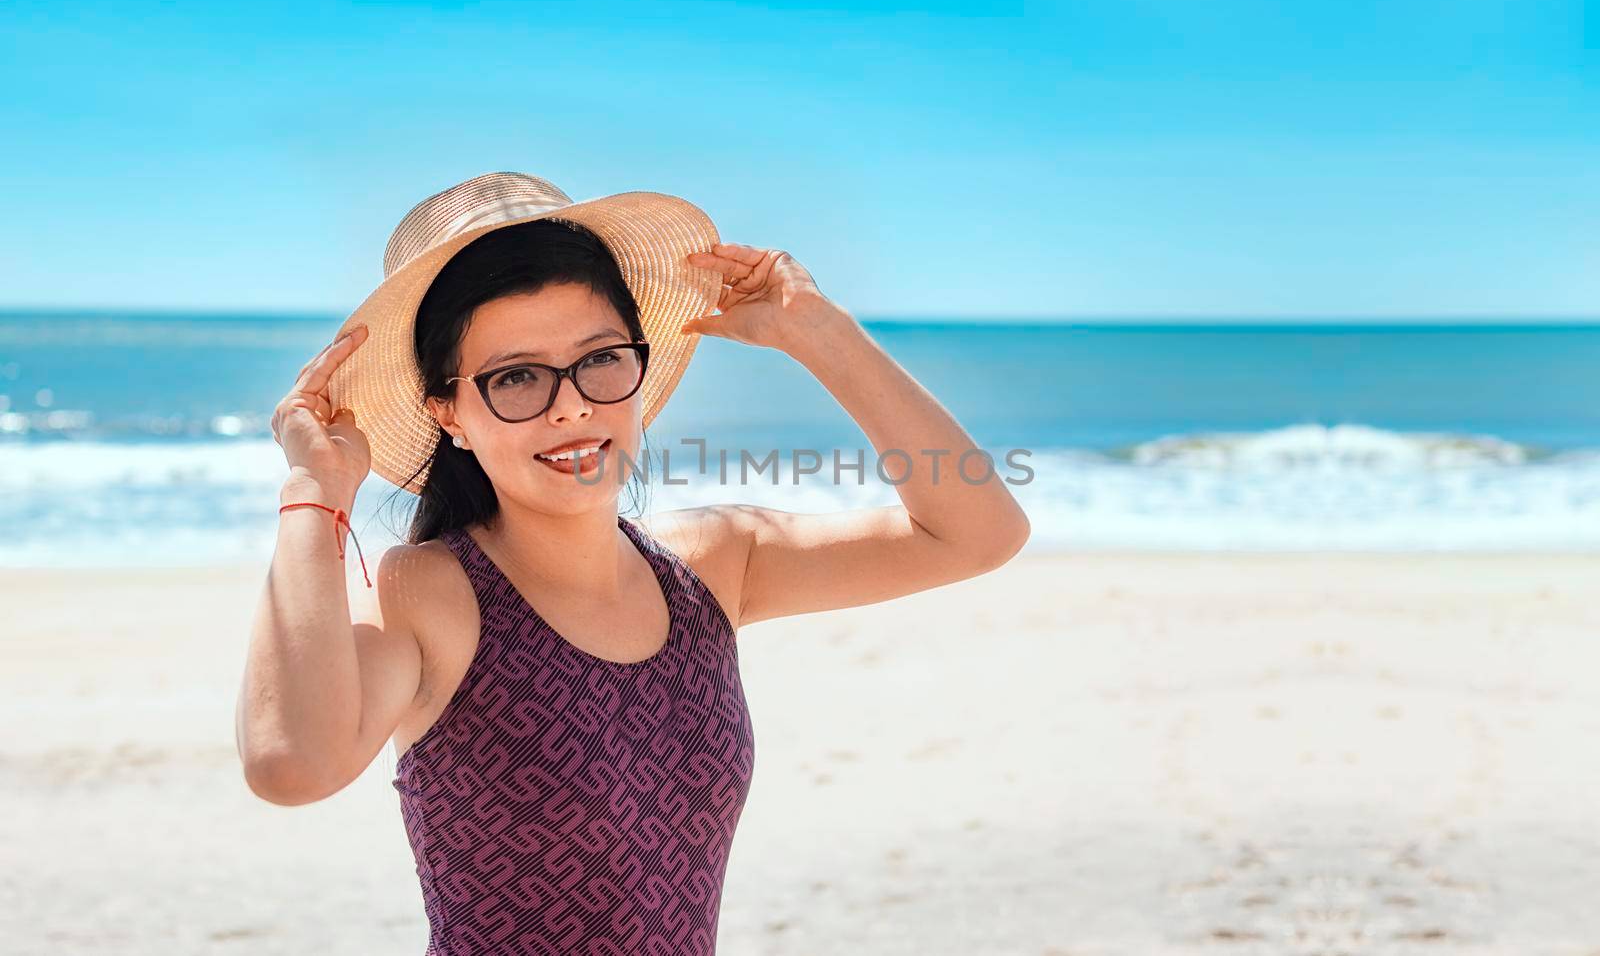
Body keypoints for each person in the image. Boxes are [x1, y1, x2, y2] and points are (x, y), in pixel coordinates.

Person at [236, 172, 1030, 955]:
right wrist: (315, 491)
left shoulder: (713, 566)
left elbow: (979, 533)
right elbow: (289, 763)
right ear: (451, 415)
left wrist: (817, 333)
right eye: (516, 378)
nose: (573, 404)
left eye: (601, 359)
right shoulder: (429, 594)